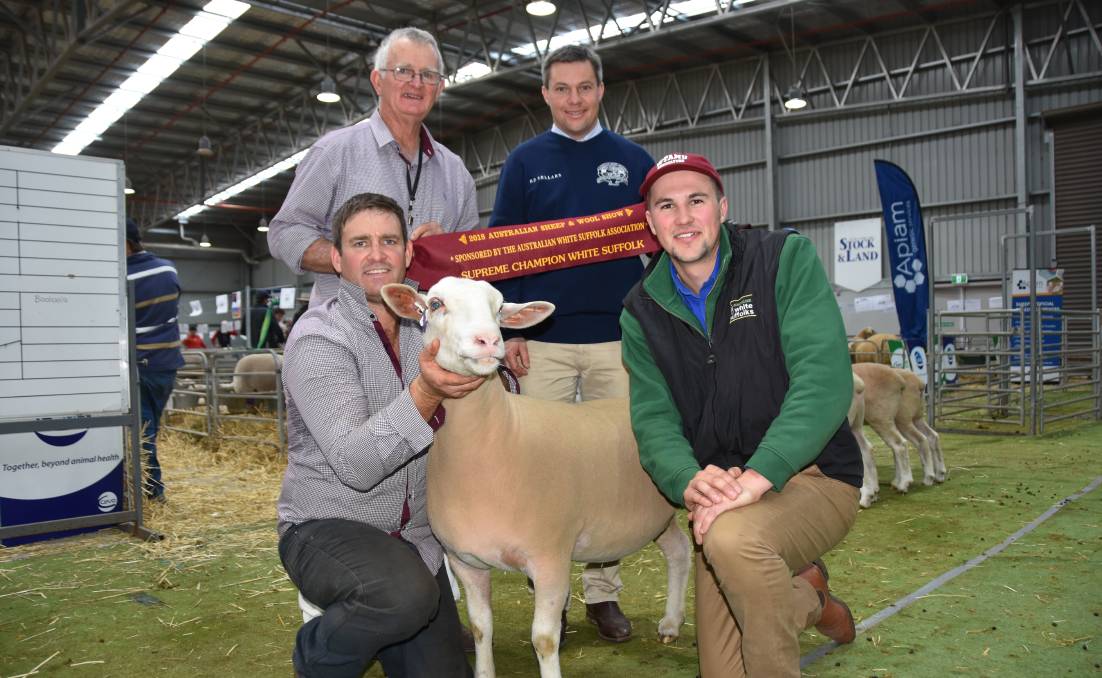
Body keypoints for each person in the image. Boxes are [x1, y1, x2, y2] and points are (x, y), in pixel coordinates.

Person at [620, 153, 864, 677]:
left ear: (722, 208)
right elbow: (653, 419)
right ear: (650, 222)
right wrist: (690, 482)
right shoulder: (640, 310)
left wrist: (760, 475)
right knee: (722, 668)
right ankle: (809, 600)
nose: (683, 218)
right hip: (723, 494)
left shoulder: (783, 258)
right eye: (666, 205)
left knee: (732, 540)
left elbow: (823, 381)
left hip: (814, 474)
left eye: (696, 201)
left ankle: (799, 603)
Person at [486, 43, 654, 643]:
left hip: (617, 341)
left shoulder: (633, 160)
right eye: (562, 88)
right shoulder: (525, 163)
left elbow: (657, 254)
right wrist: (508, 330)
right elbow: (500, 250)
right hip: (544, 346)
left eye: (584, 87)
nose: (574, 99)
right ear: (546, 95)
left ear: (601, 89)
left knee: (613, 469)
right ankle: (548, 594)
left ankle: (602, 594)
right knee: (544, 470)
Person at [277, 192, 483, 678]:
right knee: (403, 595)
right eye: (360, 242)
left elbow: (482, 383)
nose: (376, 254)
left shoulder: (431, 321)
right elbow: (356, 464)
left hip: (416, 539)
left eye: (389, 241)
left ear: (408, 252)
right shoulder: (319, 336)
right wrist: (426, 394)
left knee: (435, 646)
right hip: (327, 526)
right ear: (336, 257)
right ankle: (317, 656)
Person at [268, 26, 479, 308]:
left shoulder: (456, 172)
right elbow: (285, 231)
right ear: (378, 81)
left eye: (428, 75)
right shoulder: (335, 152)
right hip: (345, 335)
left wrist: (445, 251)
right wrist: (350, 259)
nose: (416, 84)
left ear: (439, 88)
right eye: (403, 71)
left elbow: (472, 259)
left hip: (429, 338)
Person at [125, 218, 185, 503]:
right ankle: (145, 488)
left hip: (140, 364)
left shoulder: (123, 276)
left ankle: (151, 492)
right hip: (167, 362)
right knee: (150, 428)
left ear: (125, 244)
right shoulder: (168, 267)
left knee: (141, 432)